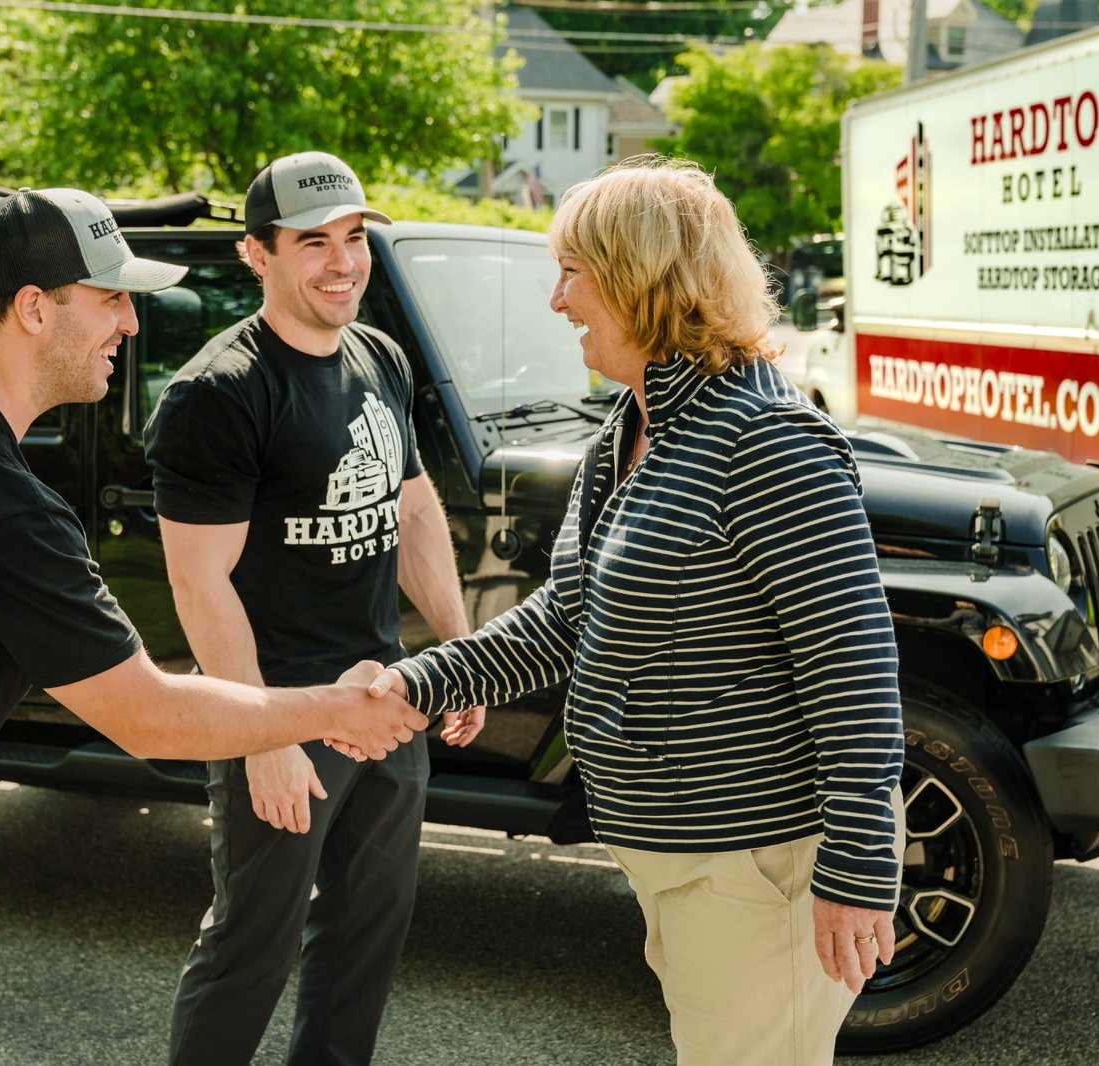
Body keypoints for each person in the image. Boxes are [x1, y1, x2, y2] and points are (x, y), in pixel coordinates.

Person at [0, 186, 427, 1066]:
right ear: (32, 309)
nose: (130, 324)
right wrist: (330, 709)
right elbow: (147, 716)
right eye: (110, 299)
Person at [367, 156, 906, 1066]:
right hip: (682, 864)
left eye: (572, 272)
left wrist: (856, 872)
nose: (557, 300)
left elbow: (853, 669)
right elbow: (566, 619)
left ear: (642, 280)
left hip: (757, 866)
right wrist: (419, 682)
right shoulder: (633, 426)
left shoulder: (766, 441)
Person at [145, 151, 481, 1066]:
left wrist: (459, 654)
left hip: (388, 703)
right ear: (257, 254)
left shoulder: (379, 358)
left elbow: (412, 510)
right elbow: (198, 581)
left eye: (354, 237)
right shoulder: (218, 394)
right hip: (283, 712)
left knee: (367, 939)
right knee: (251, 946)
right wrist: (264, 737)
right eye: (313, 244)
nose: (343, 262)